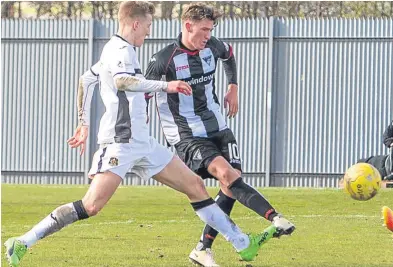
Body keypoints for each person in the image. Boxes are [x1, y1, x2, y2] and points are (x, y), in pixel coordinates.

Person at [4, 2, 279, 266]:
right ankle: (24, 241)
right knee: (91, 206)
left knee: (195, 186)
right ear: (135, 23)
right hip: (120, 144)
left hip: (143, 143)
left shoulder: (119, 49)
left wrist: (82, 121)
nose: (149, 32)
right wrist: (166, 85)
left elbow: (86, 79)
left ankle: (242, 242)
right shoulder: (121, 51)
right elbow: (123, 81)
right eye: (147, 25)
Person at [144, 3, 295, 266]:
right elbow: (142, 92)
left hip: (219, 127)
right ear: (188, 26)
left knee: (230, 185)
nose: (208, 35)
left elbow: (229, 54)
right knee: (227, 175)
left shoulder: (212, 46)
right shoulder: (162, 60)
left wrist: (233, 86)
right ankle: (274, 217)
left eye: (211, 30)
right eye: (203, 30)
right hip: (188, 135)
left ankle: (203, 248)